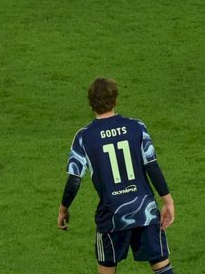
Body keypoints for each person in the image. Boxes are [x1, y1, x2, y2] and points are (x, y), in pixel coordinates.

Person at [59, 77, 177, 274]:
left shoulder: (84, 136)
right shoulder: (136, 126)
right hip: (145, 210)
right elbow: (152, 166)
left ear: (90, 102)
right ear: (115, 100)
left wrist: (63, 209)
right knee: (162, 266)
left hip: (112, 215)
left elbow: (74, 180)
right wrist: (168, 202)